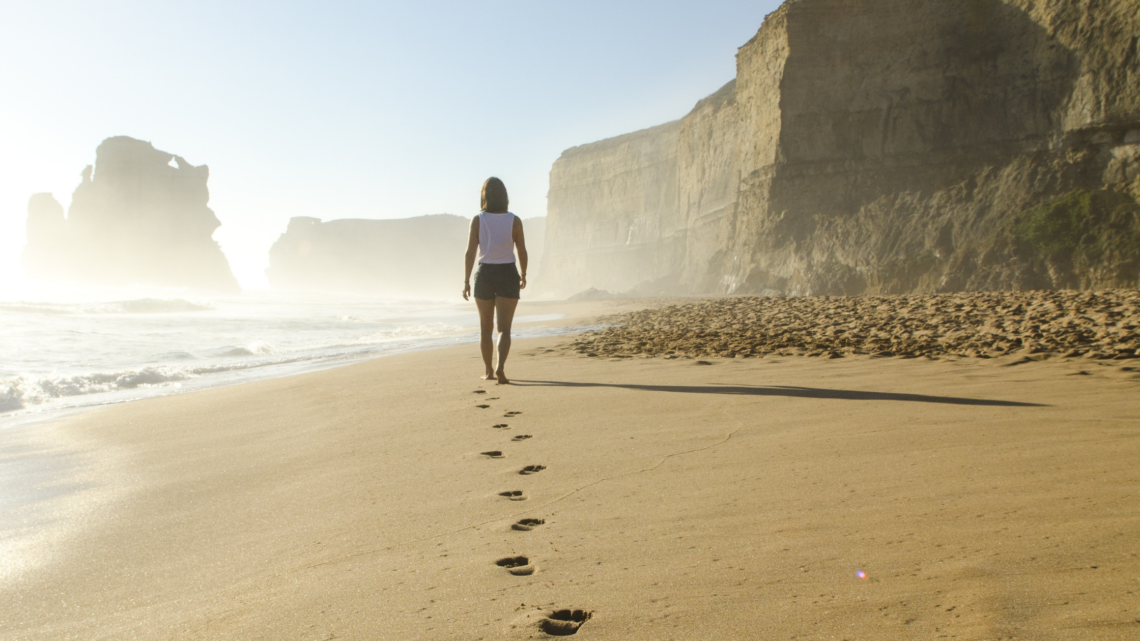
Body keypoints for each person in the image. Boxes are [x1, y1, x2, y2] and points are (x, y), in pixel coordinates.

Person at [462, 177, 527, 384]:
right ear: (505, 196)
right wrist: (523, 274)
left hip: (485, 274)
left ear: (484, 196)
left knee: (485, 328)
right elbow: (522, 251)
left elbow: (470, 253)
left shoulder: (478, 220)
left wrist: (466, 281)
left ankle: (489, 371)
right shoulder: (514, 220)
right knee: (504, 329)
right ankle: (501, 368)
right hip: (508, 272)